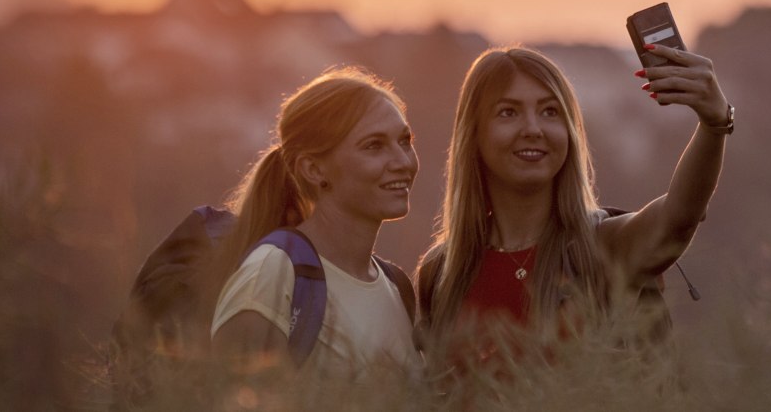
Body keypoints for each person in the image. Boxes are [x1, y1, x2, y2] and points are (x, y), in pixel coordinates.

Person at [416, 44, 731, 377]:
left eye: (550, 112)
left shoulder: (603, 246)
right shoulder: (441, 273)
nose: (533, 128)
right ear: (474, 134)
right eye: (508, 112)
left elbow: (679, 215)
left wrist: (714, 124)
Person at [208, 66, 425, 381]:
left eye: (404, 141)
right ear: (313, 169)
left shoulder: (397, 287)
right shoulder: (272, 273)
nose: (403, 162)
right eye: (374, 146)